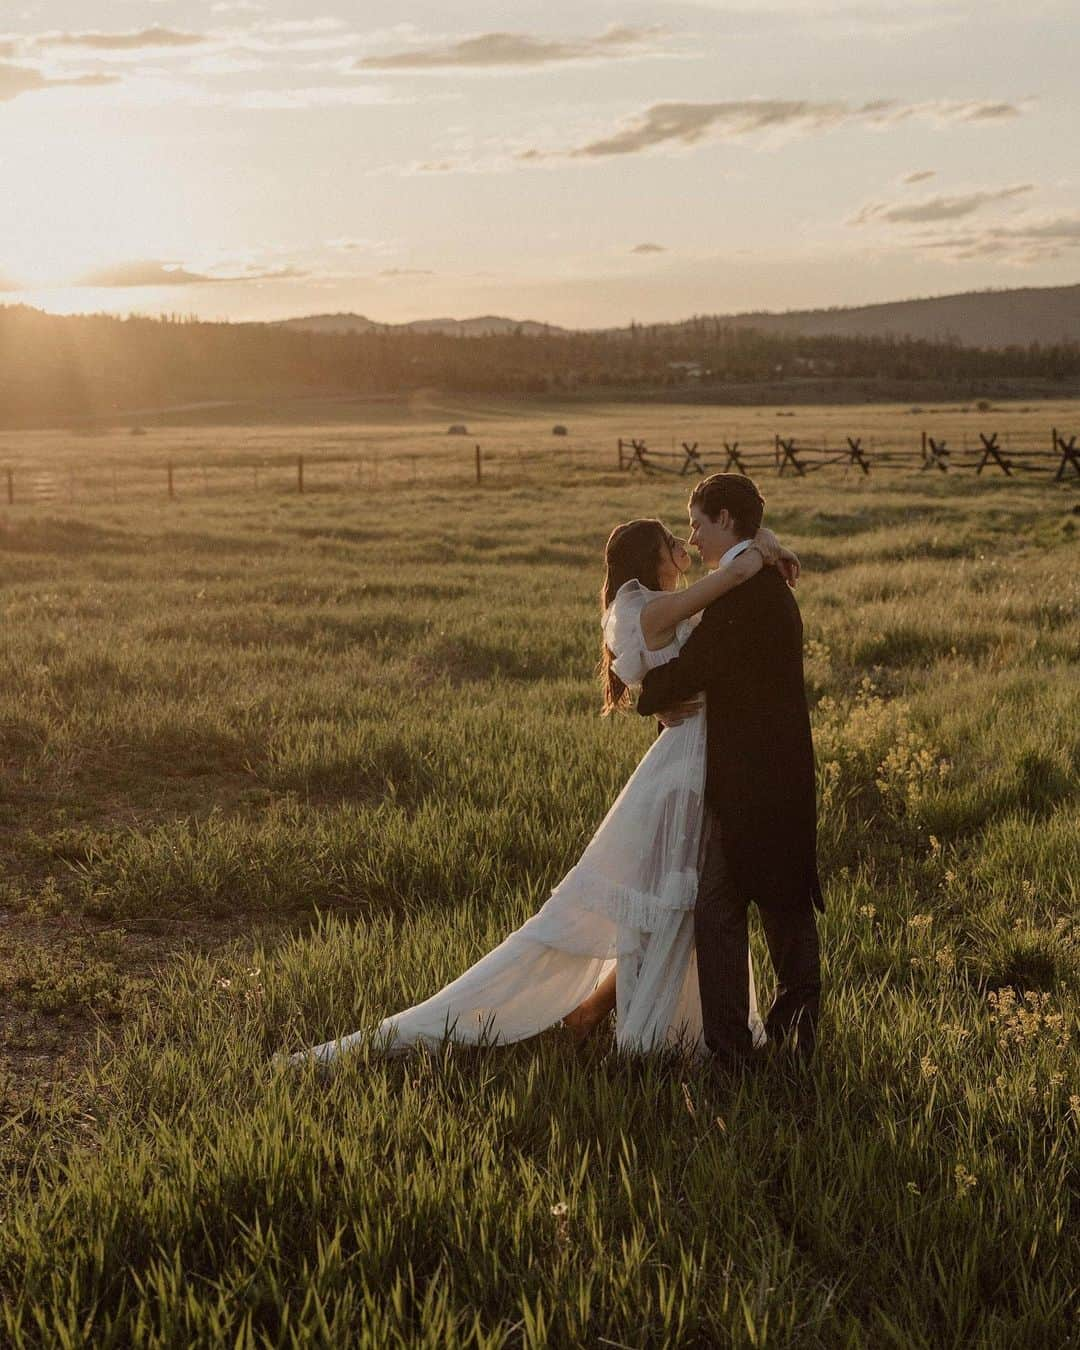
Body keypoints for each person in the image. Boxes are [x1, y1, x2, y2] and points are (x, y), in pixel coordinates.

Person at [289, 515, 799, 1067]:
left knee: (676, 904)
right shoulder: (644, 608)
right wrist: (750, 557)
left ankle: (615, 1018)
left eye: (688, 535)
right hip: (685, 768)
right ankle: (633, 1031)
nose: (686, 544)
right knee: (668, 902)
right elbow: (720, 586)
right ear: (650, 559)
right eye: (673, 543)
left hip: (698, 760)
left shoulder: (656, 602)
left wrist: (763, 546)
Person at [637, 473, 823, 1071]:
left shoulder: (746, 594)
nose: (690, 535)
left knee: (740, 907)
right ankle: (771, 1043)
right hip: (773, 771)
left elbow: (697, 665)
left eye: (696, 521)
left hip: (754, 779)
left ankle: (738, 1052)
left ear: (724, 518)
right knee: (777, 901)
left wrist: (642, 687)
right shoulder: (756, 577)